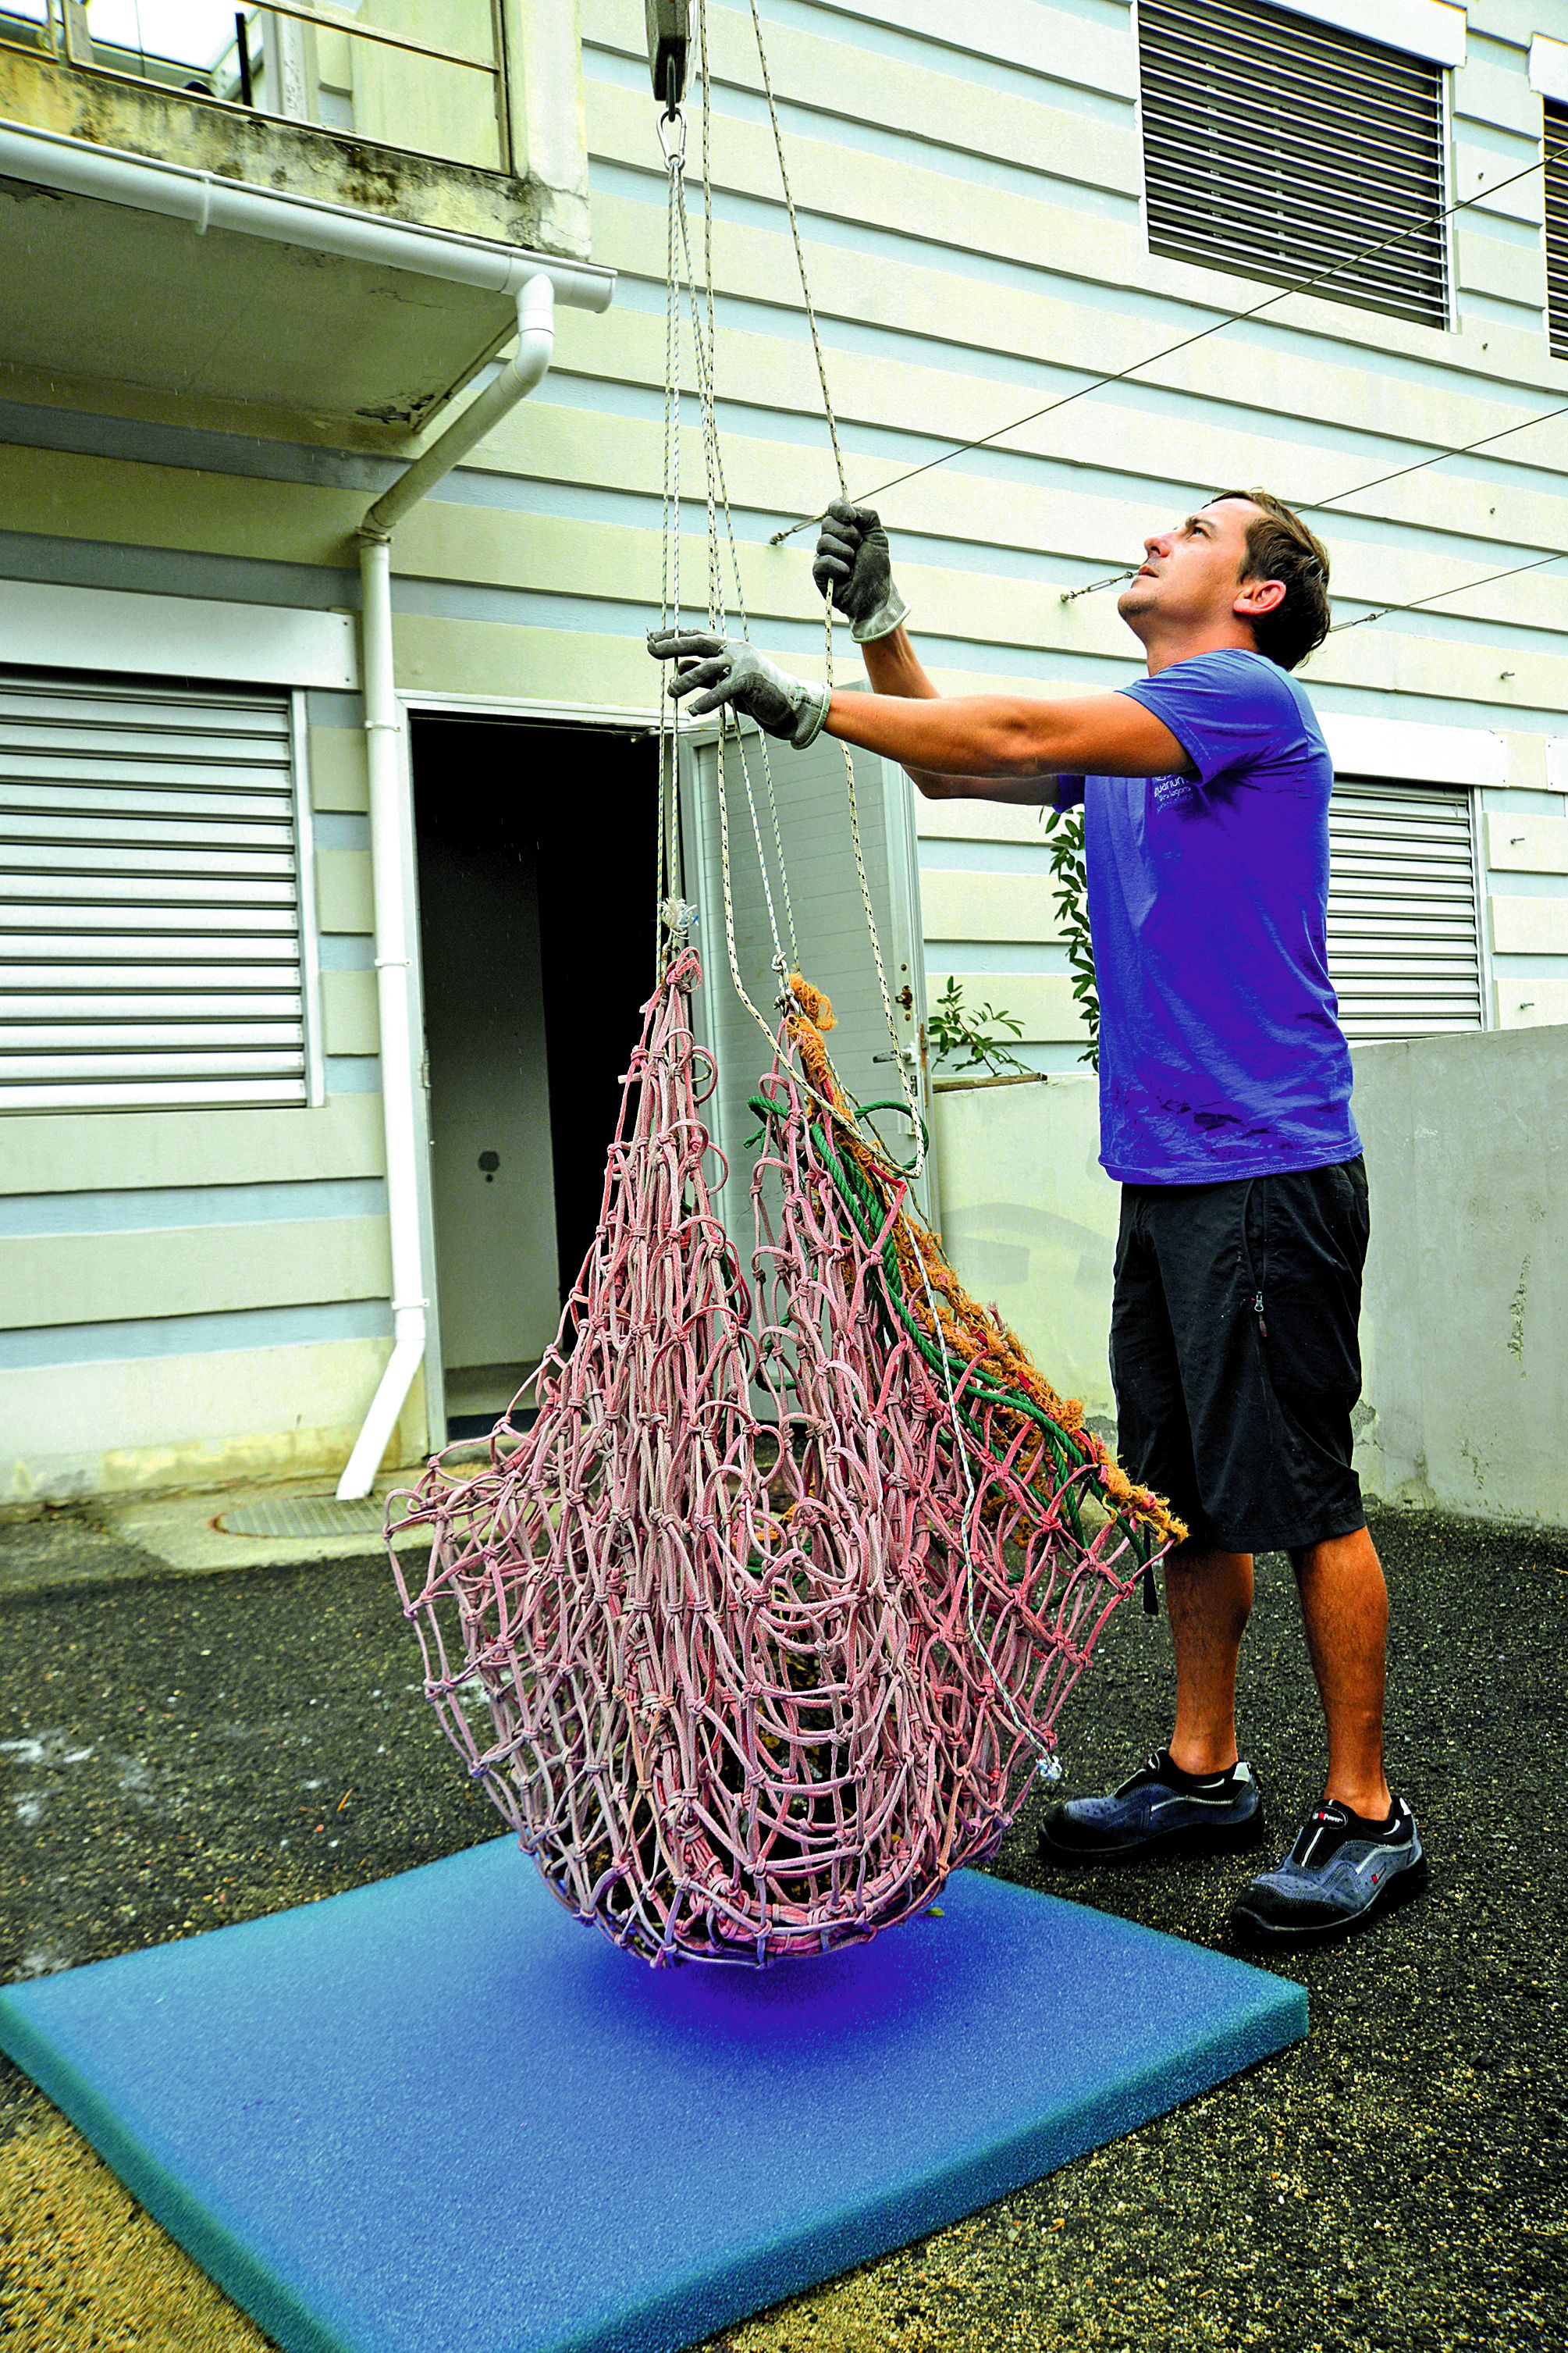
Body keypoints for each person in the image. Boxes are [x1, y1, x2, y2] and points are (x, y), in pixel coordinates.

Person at [648, 486, 1426, 1947]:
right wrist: (881, 633)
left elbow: (1004, 737)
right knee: (1176, 1489)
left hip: (1267, 1164)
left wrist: (797, 695)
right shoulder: (1137, 743)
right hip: (1169, 1172)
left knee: (1304, 1492)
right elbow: (955, 771)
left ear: (1255, 593)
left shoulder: (1243, 699)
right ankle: (1204, 1772)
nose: (1153, 540)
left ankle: (1370, 1815)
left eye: (1193, 532)